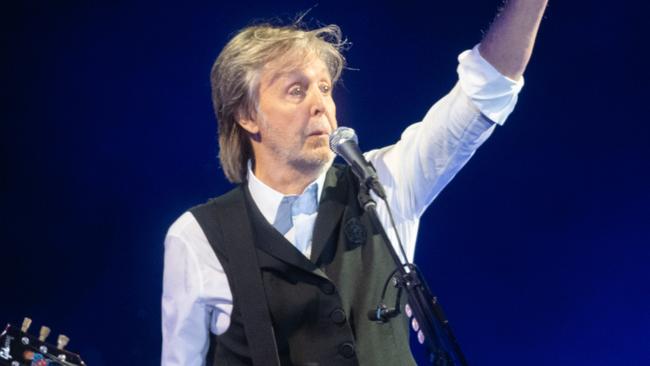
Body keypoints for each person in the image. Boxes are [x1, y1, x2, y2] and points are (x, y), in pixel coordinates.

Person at [162, 1, 548, 365]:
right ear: (247, 115)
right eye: (296, 90)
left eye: (325, 88)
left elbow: (485, 92)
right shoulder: (198, 238)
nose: (320, 105)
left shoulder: (382, 183)